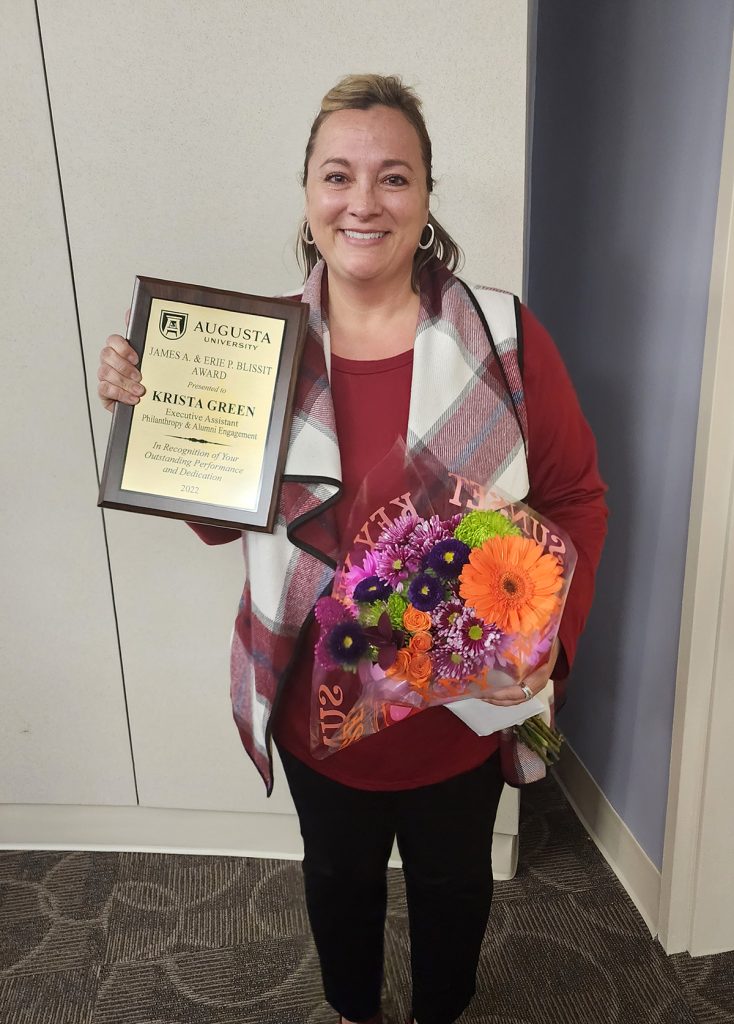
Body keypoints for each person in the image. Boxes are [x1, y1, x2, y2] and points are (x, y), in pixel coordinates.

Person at [98, 74, 607, 1024]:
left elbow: (576, 495)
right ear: (307, 195)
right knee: (336, 880)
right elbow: (223, 522)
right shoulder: (253, 349)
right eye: (338, 175)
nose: (363, 202)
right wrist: (156, 418)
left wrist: (545, 650)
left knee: (456, 889)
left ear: (425, 198)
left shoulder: (499, 336)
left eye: (394, 178)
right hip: (313, 705)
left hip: (463, 708)